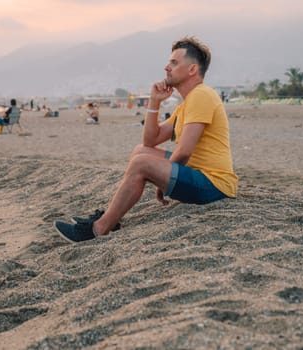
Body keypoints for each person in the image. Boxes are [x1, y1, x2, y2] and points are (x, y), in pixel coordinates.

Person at [54, 36, 238, 243]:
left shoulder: (202, 95)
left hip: (214, 184)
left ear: (192, 69)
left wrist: (162, 182)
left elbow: (184, 150)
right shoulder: (187, 103)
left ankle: (98, 229)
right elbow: (152, 141)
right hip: (198, 174)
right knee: (140, 152)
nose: (166, 67)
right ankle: (111, 218)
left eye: (174, 63)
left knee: (142, 163)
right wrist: (154, 102)